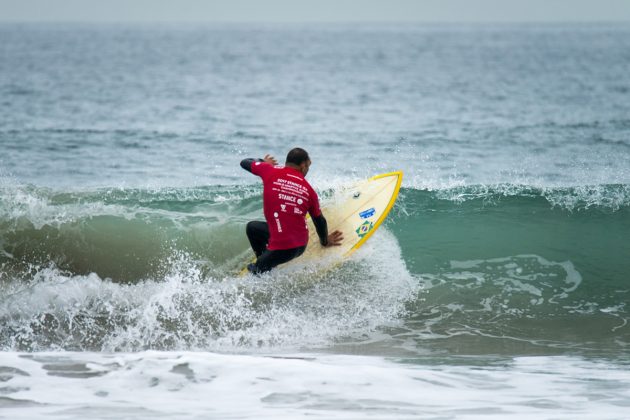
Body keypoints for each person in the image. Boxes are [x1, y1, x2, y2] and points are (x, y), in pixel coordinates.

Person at [240, 148, 343, 274]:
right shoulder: (309, 190)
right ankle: (266, 262)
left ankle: (263, 266)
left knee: (256, 270)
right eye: (308, 165)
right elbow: (319, 220)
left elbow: (244, 162)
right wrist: (325, 241)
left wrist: (264, 162)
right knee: (252, 228)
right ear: (303, 166)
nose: (308, 169)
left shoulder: (268, 170)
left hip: (286, 247)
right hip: (299, 244)